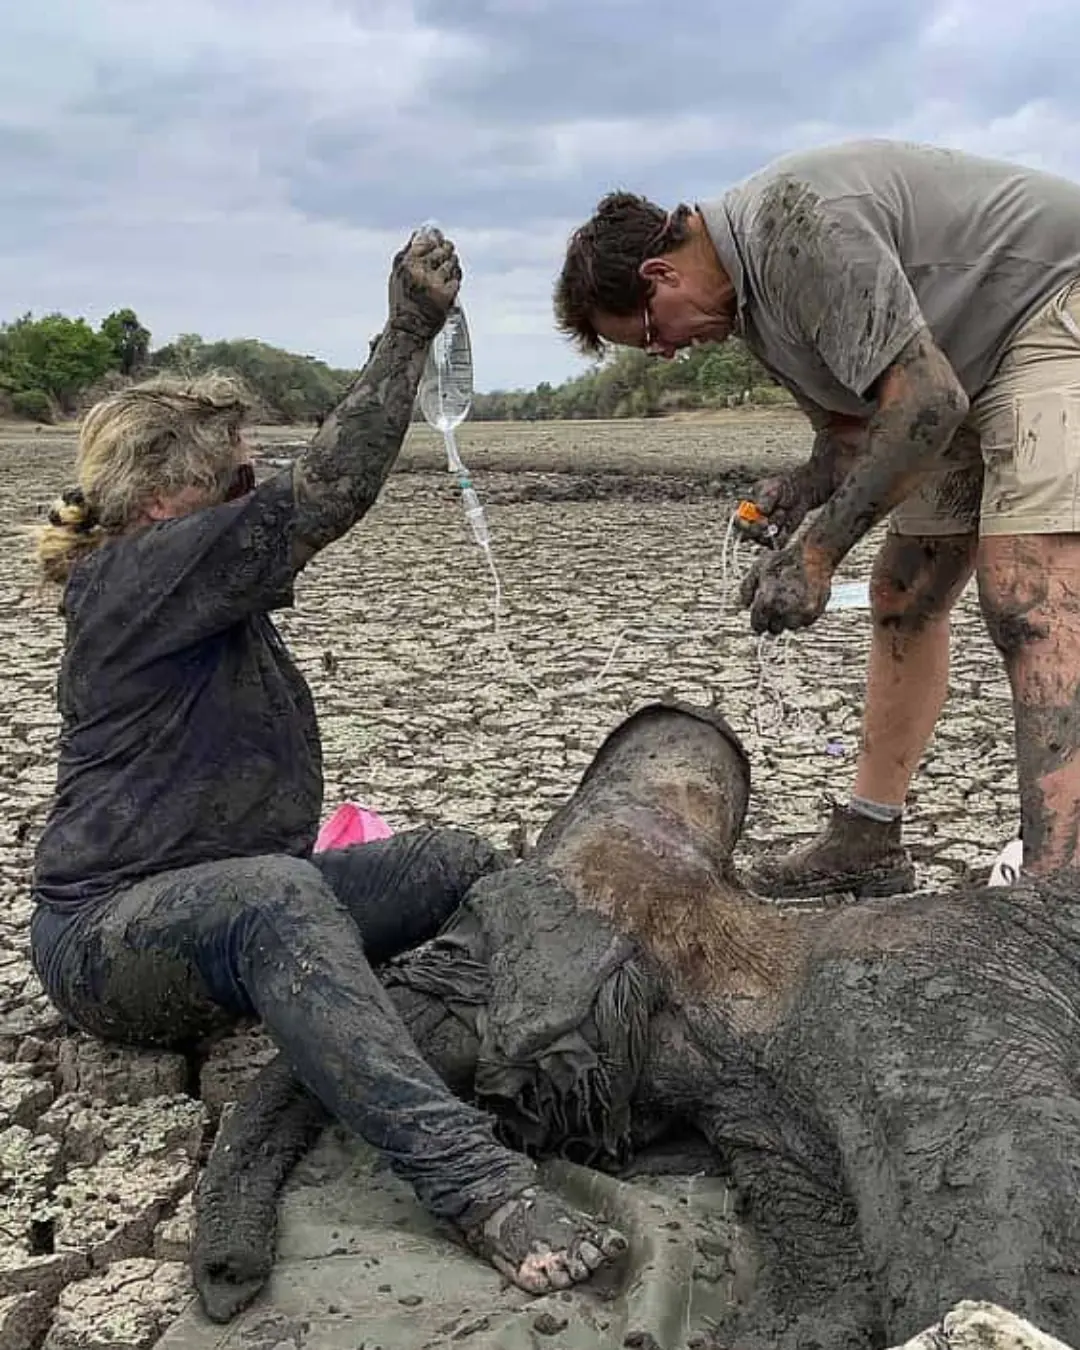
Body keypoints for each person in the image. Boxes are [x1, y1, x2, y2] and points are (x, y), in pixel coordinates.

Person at [29, 227, 625, 1306]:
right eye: (237, 480)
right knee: (280, 895)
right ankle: (474, 1182)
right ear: (165, 501)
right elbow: (333, 490)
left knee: (447, 860)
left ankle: (566, 1023)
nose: (256, 492)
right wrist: (404, 335)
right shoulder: (138, 577)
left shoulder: (181, 570)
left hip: (235, 903)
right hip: (111, 942)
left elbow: (311, 500)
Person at [553, 138, 1080, 894]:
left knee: (1032, 594)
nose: (664, 353)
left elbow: (925, 403)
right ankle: (870, 838)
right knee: (904, 595)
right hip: (961, 367)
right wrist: (802, 492)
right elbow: (854, 436)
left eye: (649, 333)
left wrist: (817, 555)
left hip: (1053, 313)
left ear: (659, 274)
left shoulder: (795, 229)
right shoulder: (752, 310)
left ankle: (1060, 889)